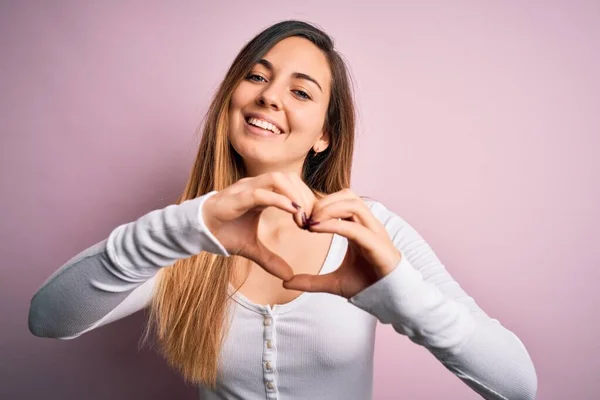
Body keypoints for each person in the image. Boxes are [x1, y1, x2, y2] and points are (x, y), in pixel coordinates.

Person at [28, 20, 537, 400]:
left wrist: (399, 295)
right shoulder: (184, 235)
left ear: (324, 136)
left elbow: (516, 384)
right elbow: (48, 319)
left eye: (300, 91)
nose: (270, 96)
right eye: (256, 76)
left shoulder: (369, 231)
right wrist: (186, 227)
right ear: (231, 98)